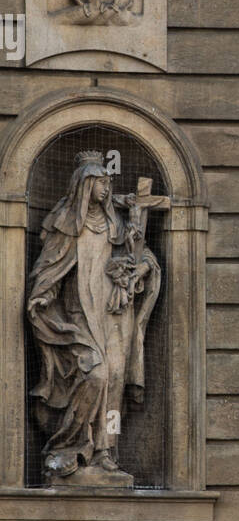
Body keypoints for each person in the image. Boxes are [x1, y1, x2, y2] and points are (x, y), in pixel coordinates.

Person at [27, 150, 161, 485]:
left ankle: (106, 451)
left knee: (114, 382)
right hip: (78, 317)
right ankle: (69, 444)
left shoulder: (117, 222)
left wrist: (136, 271)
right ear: (84, 184)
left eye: (107, 180)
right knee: (96, 376)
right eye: (99, 181)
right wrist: (43, 294)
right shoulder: (66, 223)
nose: (106, 186)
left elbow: (143, 256)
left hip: (115, 315)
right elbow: (49, 267)